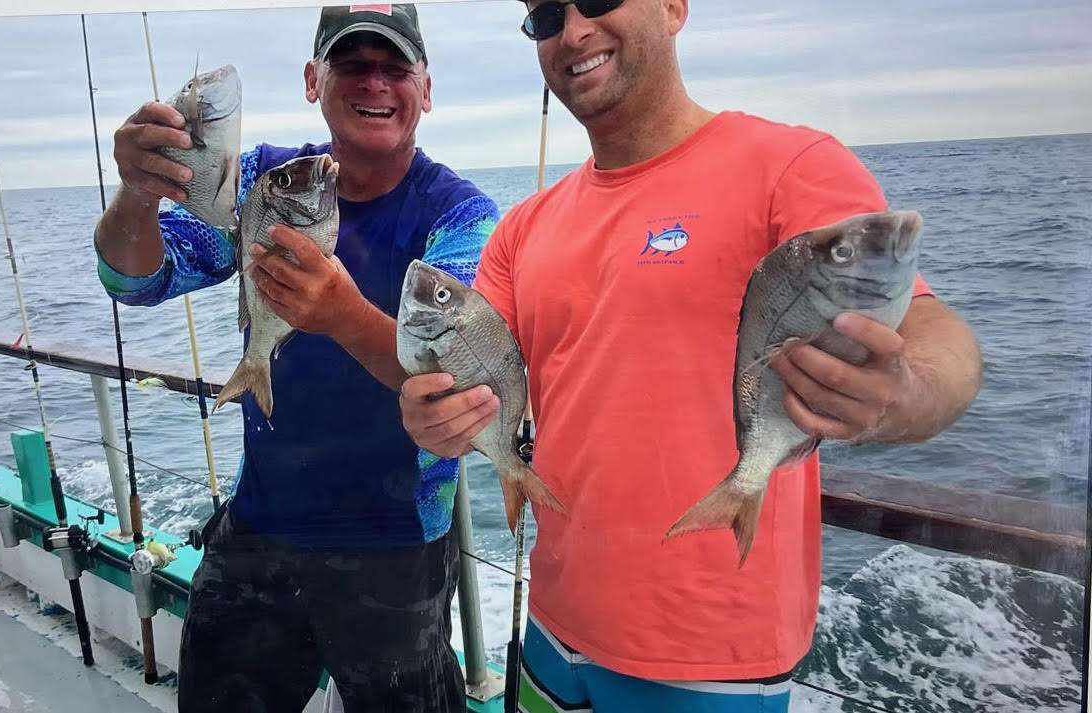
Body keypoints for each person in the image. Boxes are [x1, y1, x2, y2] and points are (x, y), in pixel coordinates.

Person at [398, 0, 983, 711]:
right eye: (546, 14)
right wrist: (436, 413)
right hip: (553, 622)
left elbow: (935, 332)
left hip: (708, 654)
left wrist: (898, 390)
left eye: (599, 0)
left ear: (675, 8)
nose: (574, 30)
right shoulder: (525, 225)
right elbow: (478, 374)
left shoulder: (788, 167)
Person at [93, 5, 498, 712]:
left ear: (424, 90)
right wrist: (137, 191)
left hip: (396, 546)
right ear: (315, 80)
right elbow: (136, 279)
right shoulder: (267, 182)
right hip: (260, 527)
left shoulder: (460, 215)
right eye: (351, 64)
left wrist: (341, 314)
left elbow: (451, 380)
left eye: (394, 66)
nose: (374, 82)